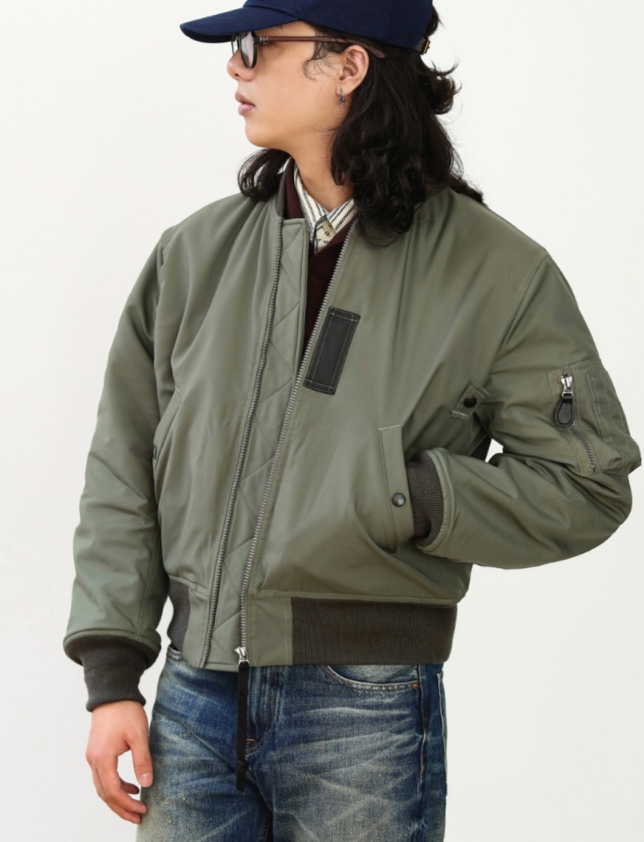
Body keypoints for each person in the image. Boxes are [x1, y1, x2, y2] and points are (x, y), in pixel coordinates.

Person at [63, 1, 641, 839]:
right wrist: (113, 675)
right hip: (192, 698)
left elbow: (588, 483)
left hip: (364, 705)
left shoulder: (498, 272)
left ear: (348, 66)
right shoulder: (193, 254)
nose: (235, 65)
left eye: (258, 45)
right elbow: (123, 462)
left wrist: (409, 495)